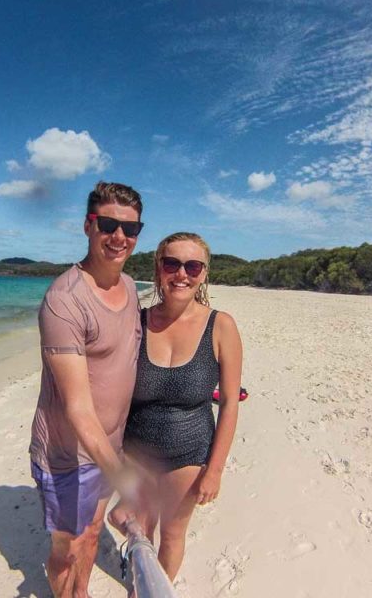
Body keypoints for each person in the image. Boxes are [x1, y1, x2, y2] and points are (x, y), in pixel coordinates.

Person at [28, 181, 145, 598]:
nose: (119, 237)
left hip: (109, 448)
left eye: (129, 229)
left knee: (93, 533)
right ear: (87, 226)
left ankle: (82, 592)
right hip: (67, 454)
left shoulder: (131, 288)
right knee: (69, 546)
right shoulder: (64, 300)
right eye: (108, 224)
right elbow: (78, 408)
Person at [109, 231, 243, 583]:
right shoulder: (135, 322)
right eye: (172, 264)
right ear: (158, 268)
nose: (181, 274)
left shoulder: (221, 326)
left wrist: (214, 470)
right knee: (140, 528)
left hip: (189, 452)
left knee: (171, 534)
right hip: (135, 452)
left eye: (192, 266)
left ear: (203, 274)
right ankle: (141, 575)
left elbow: (229, 404)